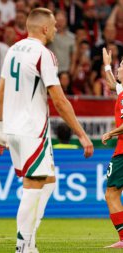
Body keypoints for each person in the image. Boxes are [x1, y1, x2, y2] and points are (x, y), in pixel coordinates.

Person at [0, 8, 94, 253]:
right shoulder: (44, 54)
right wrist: (81, 134)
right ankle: (22, 245)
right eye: (55, 26)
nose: (57, 30)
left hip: (13, 128)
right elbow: (59, 100)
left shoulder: (13, 50)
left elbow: (1, 92)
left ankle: (29, 240)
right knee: (33, 182)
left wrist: (0, 130)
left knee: (48, 179)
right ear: (46, 28)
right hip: (32, 128)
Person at [101, 47, 123, 248]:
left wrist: (110, 133)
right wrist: (107, 64)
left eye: (121, 67)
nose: (118, 69)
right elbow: (111, 84)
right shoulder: (122, 91)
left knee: (111, 194)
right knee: (112, 194)